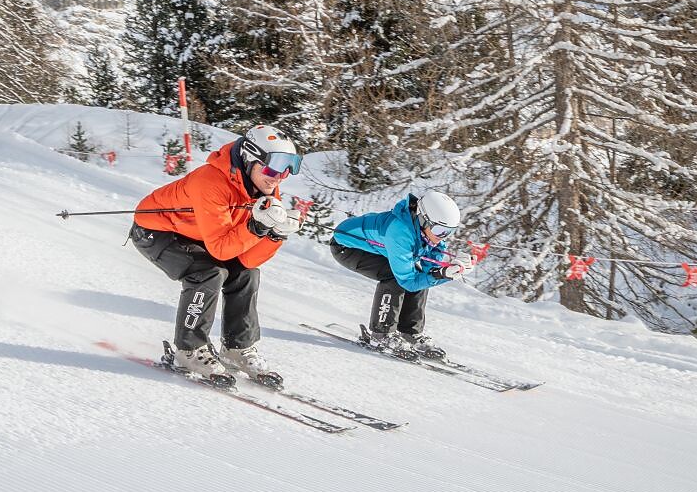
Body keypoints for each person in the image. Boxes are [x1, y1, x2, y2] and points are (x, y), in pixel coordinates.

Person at [130, 124, 302, 385]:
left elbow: (247, 259)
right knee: (208, 272)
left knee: (246, 275)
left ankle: (237, 347)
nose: (280, 176)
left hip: (201, 234)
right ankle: (189, 350)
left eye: (290, 166)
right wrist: (257, 227)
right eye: (274, 165)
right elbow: (221, 250)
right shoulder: (210, 182)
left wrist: (275, 235)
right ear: (250, 158)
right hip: (156, 230)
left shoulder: (264, 186)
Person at [329, 188, 471, 361]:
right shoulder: (400, 232)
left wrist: (451, 269)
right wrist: (443, 275)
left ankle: (410, 332)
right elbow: (408, 282)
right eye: (440, 230)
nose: (442, 237)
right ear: (423, 219)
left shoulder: (430, 233)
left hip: (376, 248)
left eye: (449, 231)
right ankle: (381, 334)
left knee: (419, 276)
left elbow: (426, 273)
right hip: (347, 247)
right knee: (394, 278)